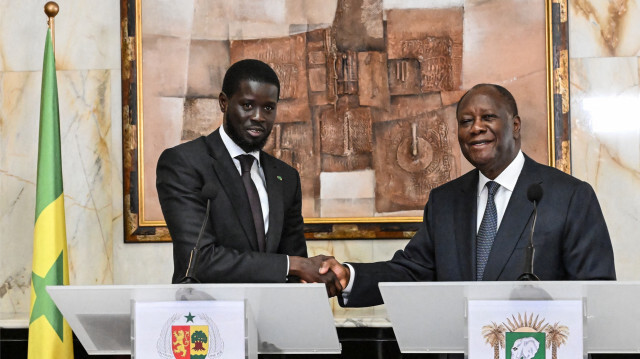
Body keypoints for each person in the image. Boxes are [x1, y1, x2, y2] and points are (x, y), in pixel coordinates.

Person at [321, 83, 616, 307]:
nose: (476, 128)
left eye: (488, 117)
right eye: (465, 121)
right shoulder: (445, 201)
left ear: (515, 126)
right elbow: (413, 271)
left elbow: (596, 293)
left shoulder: (570, 196)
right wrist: (349, 276)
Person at [157, 59, 341, 294]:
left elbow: (298, 266)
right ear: (224, 103)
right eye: (247, 105)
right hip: (209, 316)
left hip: (273, 320)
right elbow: (199, 260)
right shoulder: (185, 163)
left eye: (268, 108)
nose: (259, 117)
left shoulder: (286, 177)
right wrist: (292, 265)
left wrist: (319, 276)